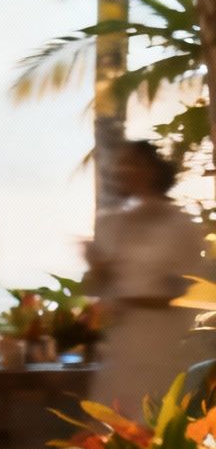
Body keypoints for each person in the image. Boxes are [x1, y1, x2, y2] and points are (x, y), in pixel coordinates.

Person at [87, 141, 213, 413]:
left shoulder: (179, 225)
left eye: (131, 163)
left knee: (154, 410)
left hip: (161, 335)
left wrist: (133, 296)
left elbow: (181, 284)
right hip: (123, 338)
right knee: (116, 416)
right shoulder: (114, 222)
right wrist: (97, 265)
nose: (122, 169)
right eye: (120, 163)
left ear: (152, 170)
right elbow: (106, 282)